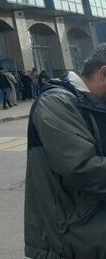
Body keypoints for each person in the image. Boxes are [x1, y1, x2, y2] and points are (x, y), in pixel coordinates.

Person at [24, 44, 106, 258]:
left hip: (90, 227)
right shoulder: (56, 102)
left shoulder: (93, 104)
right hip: (69, 233)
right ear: (104, 73)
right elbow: (81, 168)